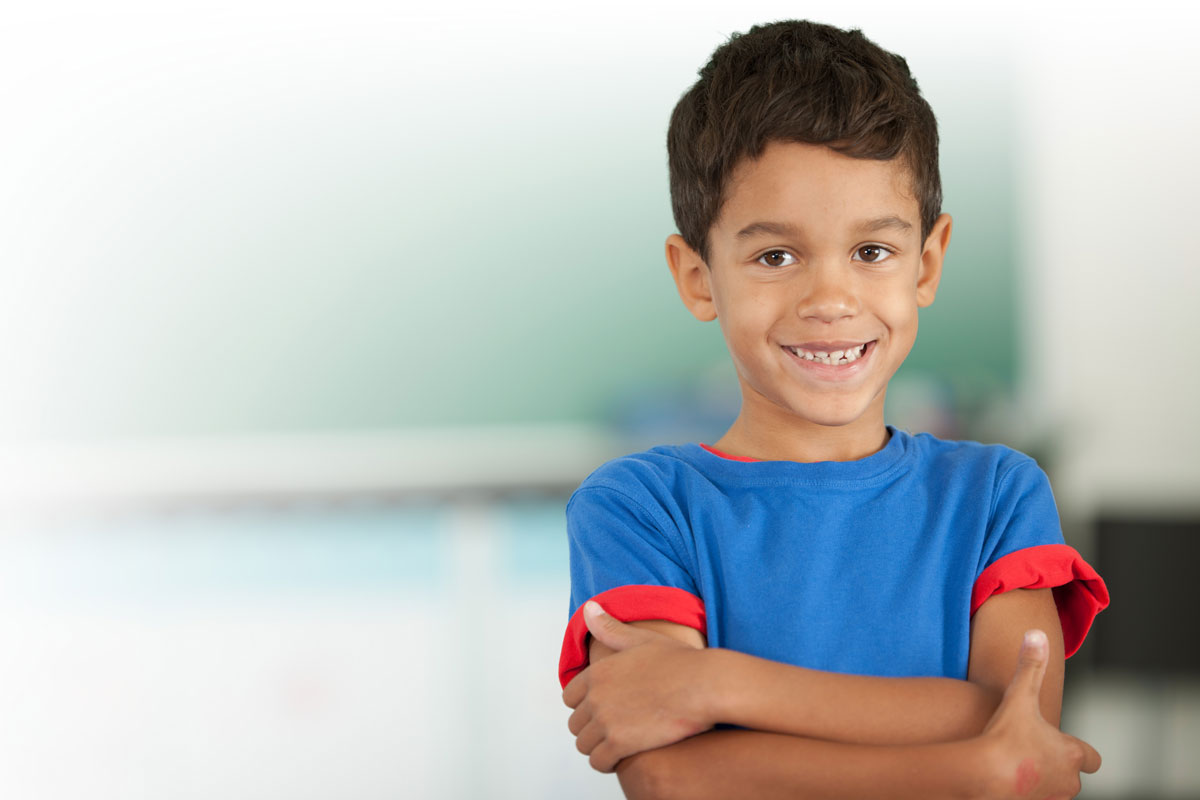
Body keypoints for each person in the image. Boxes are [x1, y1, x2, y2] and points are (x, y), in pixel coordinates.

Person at [557, 19, 1110, 800]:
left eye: (872, 251)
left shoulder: (997, 496)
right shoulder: (641, 508)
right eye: (775, 256)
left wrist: (716, 685)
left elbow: (1017, 720)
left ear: (928, 261)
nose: (830, 300)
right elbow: (671, 778)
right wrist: (966, 766)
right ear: (697, 278)